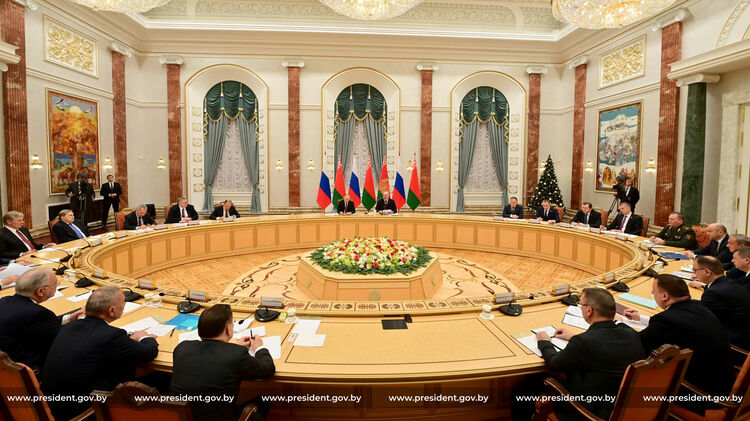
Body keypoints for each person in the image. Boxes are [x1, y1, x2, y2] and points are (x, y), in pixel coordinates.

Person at [42, 286, 159, 420]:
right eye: (123, 303)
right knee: (154, 377)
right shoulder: (111, 336)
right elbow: (148, 353)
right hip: (83, 409)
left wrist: (126, 341)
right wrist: (145, 337)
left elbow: (95, 342)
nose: (124, 305)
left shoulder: (70, 326)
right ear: (111, 310)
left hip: (52, 403)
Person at [535, 288, 645, 420]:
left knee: (529, 387)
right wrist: (574, 338)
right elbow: (604, 346)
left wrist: (545, 342)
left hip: (590, 412)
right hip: (625, 407)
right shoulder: (631, 333)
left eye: (581, 304)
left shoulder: (584, 342)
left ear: (589, 310)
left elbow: (554, 363)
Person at [623, 274, 734, 397]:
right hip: (724, 380)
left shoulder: (666, 322)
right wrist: (639, 318)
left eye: (654, 291)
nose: (652, 293)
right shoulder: (698, 306)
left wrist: (618, 323)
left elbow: (636, 343)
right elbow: (676, 322)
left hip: (701, 393)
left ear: (665, 296)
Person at [171, 304, 275, 421]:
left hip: (182, 416)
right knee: (262, 402)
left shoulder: (181, 349)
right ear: (228, 328)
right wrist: (259, 348)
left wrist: (233, 348)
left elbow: (210, 358)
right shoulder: (236, 354)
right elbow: (267, 369)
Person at [0, 268, 84, 369]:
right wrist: (82, 319)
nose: (57, 286)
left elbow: (42, 325)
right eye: (55, 284)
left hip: (9, 362)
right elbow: (64, 338)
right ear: (40, 291)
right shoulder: (37, 313)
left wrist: (69, 318)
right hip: (31, 367)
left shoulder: (5, 300)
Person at [687, 256, 750, 349]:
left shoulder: (714, 293)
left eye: (694, 270)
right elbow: (706, 305)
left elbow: (703, 319)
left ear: (707, 272)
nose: (694, 273)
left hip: (735, 341)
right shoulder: (726, 281)